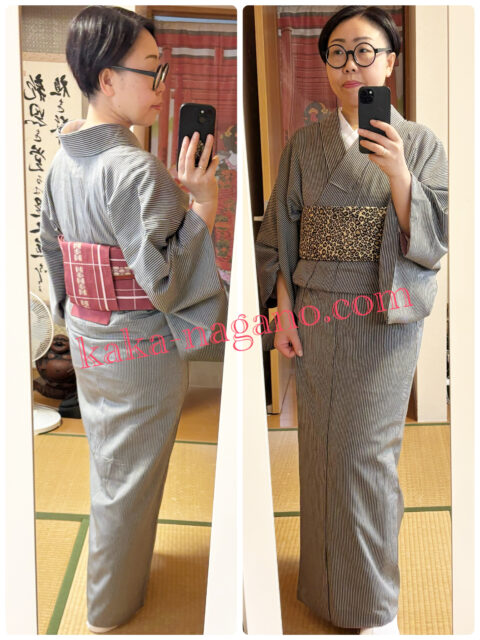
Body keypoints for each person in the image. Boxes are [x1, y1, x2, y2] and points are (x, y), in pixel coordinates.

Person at [255, 5, 447, 635]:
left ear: (391, 62)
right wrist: (283, 309)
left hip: (381, 316)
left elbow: (436, 238)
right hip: (314, 313)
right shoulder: (303, 145)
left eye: (365, 51)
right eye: (337, 52)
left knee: (366, 458)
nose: (350, 65)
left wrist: (399, 174)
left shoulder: (421, 144)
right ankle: (324, 586)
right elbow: (279, 234)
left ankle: (372, 604)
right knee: (319, 451)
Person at [40, 6, 227, 633]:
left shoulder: (63, 161)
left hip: (90, 336)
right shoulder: (133, 168)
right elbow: (166, 280)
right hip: (139, 349)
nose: (163, 85)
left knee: (112, 469)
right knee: (130, 481)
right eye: (152, 71)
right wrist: (203, 204)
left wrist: (75, 315)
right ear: (106, 79)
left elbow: (53, 252)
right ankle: (109, 609)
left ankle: (118, 579)